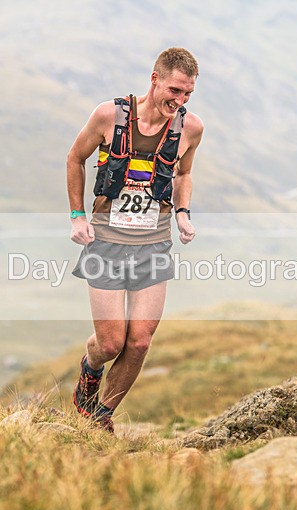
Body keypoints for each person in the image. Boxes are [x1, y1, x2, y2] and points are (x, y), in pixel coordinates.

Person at [66, 47, 204, 432]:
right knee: (110, 344)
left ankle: (99, 417)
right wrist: (77, 216)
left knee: (140, 342)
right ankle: (89, 372)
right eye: (174, 91)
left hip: (154, 242)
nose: (179, 102)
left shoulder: (191, 128)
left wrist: (182, 213)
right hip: (107, 240)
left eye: (188, 95)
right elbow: (75, 158)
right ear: (155, 78)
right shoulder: (109, 116)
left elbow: (183, 174)